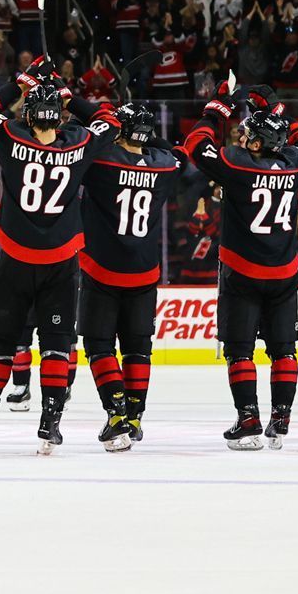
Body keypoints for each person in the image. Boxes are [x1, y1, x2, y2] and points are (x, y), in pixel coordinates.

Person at [0, 59, 118, 454]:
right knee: (57, 344)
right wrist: (68, 95)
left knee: (2, 341)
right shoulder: (78, 142)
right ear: (57, 117)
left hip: (15, 259)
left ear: (28, 114)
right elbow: (110, 121)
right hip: (61, 260)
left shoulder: (11, 137)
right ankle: (50, 425)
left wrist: (18, 82)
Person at [184, 92, 298, 450]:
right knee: (284, 350)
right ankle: (282, 417)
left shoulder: (237, 164)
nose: (242, 139)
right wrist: (278, 110)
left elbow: (196, 144)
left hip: (242, 273)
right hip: (283, 274)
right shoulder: (294, 163)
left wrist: (216, 109)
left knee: (240, 350)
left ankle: (248, 419)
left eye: (248, 135)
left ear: (260, 142)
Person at [77, 101, 184, 448]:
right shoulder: (165, 166)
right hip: (144, 270)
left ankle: (117, 414)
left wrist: (102, 111)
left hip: (103, 268)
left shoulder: (102, 161)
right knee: (138, 349)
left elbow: (91, 138)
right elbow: (174, 151)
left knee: (98, 344)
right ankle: (135, 418)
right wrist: (145, 135)